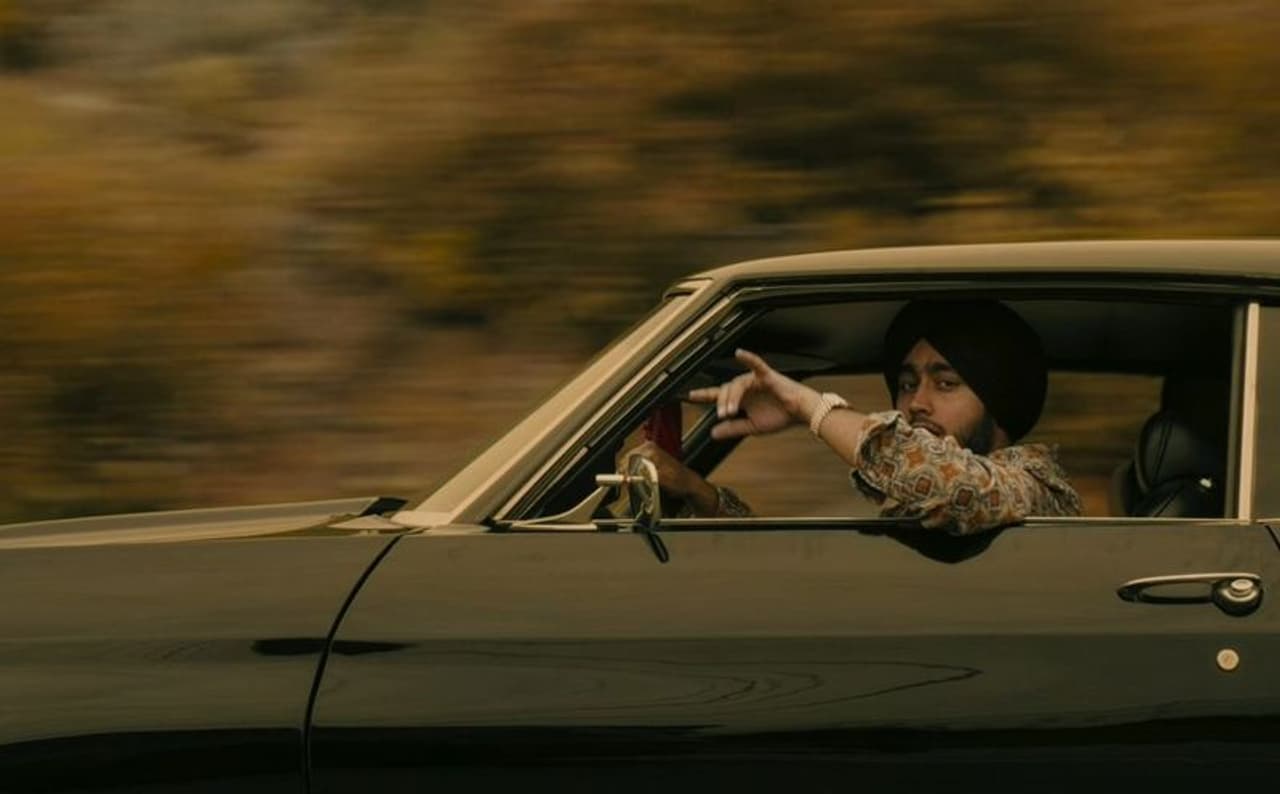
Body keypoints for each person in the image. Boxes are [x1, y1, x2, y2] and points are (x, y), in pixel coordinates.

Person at [626, 299, 1082, 534]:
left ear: (998, 403)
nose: (917, 403)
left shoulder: (1036, 488)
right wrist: (696, 491)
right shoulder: (908, 505)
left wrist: (810, 407)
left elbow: (943, 483)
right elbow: (796, 582)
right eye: (907, 384)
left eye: (945, 384)